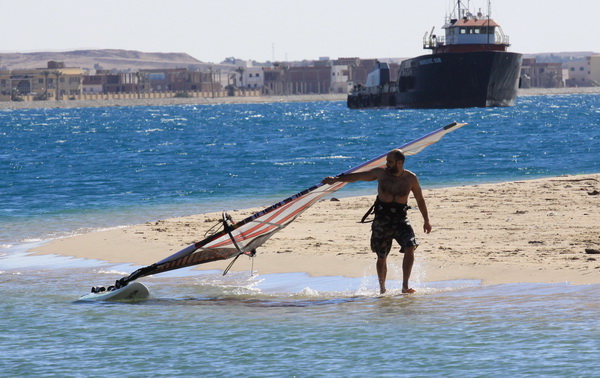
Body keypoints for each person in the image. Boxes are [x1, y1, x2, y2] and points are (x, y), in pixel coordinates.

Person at [322, 149, 431, 294]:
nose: (387, 164)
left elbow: (420, 199)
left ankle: (405, 286)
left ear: (399, 163)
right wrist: (336, 179)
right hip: (382, 219)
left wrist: (426, 220)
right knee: (382, 256)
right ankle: (382, 289)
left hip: (400, 219)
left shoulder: (410, 179)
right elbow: (359, 176)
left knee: (410, 246)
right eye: (387, 161)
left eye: (390, 162)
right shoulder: (381, 174)